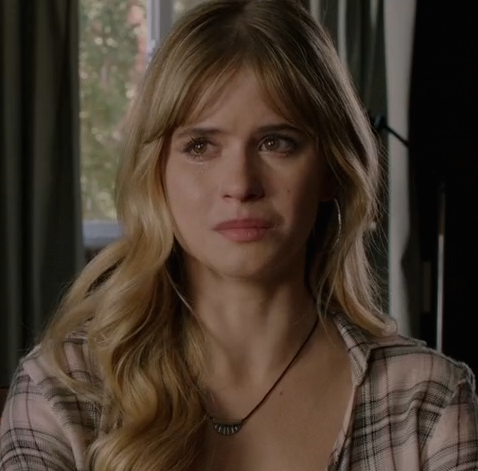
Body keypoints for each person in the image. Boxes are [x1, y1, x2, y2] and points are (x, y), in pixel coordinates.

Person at [1, 0, 477, 470]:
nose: (241, 185)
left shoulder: (427, 403)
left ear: (330, 171)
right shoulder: (63, 392)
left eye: (277, 143)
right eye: (201, 146)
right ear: (157, 173)